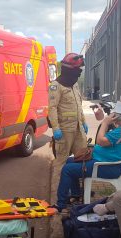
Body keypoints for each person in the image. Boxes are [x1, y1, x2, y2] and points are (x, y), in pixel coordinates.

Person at [51, 110, 121, 212]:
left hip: (106, 166)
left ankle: (60, 204)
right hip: (105, 163)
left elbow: (99, 140)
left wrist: (105, 123)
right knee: (69, 161)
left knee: (67, 170)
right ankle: (76, 195)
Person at [48, 53, 88, 191]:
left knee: (81, 162)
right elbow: (52, 108)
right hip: (64, 131)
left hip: (78, 130)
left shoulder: (74, 85)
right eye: (77, 70)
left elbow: (79, 105)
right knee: (60, 164)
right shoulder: (56, 86)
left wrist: (83, 122)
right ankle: (55, 199)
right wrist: (55, 129)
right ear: (69, 69)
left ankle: (77, 193)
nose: (79, 73)